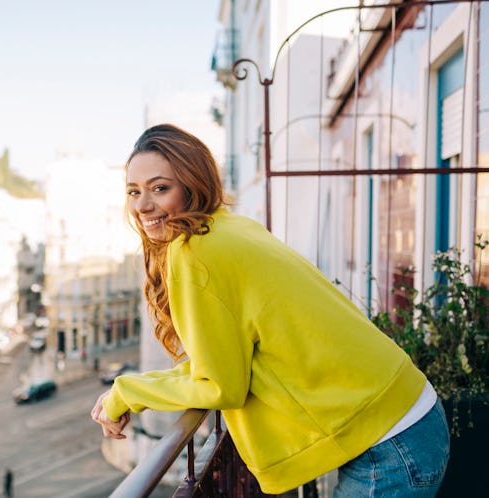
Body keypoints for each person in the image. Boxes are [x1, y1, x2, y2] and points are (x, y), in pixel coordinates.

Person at [90, 124, 450, 496]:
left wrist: (126, 392)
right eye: (133, 192)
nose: (143, 205)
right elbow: (227, 358)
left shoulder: (196, 254)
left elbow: (219, 384)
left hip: (390, 445)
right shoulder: (227, 228)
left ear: (192, 185)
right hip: (404, 420)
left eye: (160, 188)